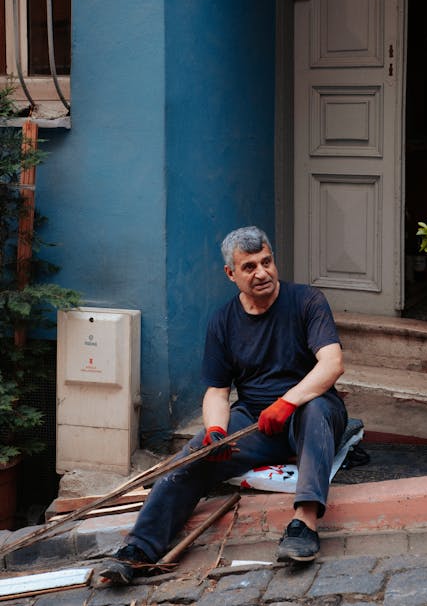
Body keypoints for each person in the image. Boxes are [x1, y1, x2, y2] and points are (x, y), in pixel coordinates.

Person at [100, 226, 347, 584]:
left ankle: (304, 526)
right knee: (195, 454)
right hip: (256, 423)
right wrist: (216, 430)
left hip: (311, 412)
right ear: (231, 274)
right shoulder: (222, 321)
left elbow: (332, 364)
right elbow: (217, 391)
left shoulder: (308, 301)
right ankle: (138, 551)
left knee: (315, 409)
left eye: (267, 261)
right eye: (249, 267)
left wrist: (286, 402)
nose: (262, 272)